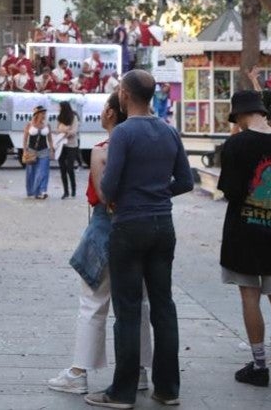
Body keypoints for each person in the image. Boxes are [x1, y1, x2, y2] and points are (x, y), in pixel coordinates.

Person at [88, 70, 193, 409]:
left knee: (129, 309)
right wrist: (160, 192)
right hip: (163, 224)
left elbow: (110, 185)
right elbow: (186, 181)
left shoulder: (122, 133)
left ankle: (122, 391)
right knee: (164, 306)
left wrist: (115, 196)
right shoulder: (168, 130)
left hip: (130, 224)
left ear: (125, 94)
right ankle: (167, 388)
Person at [49, 92, 154, 395]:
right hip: (143, 230)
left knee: (93, 302)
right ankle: (141, 369)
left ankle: (79, 371)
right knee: (138, 304)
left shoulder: (102, 150)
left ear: (110, 113)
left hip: (107, 230)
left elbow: (106, 197)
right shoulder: (145, 149)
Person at [218, 94, 271, 388]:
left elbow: (229, 191)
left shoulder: (236, 144)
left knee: (249, 295)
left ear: (241, 116)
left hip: (242, 233)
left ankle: (259, 365)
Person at [22, 106, 53, 200]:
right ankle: (31, 191)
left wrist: (52, 149)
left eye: (44, 113)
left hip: (44, 151)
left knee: (43, 171)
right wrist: (24, 150)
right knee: (31, 172)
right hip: (31, 151)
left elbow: (50, 139)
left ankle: (42, 191)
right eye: (42, 113)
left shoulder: (47, 125)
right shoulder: (29, 125)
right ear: (37, 114)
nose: (44, 115)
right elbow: (25, 138)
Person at [56, 100, 80, 199]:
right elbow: (57, 129)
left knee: (70, 168)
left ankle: (73, 189)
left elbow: (74, 131)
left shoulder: (73, 117)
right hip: (61, 145)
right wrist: (66, 129)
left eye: (60, 107)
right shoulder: (59, 118)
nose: (59, 109)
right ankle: (65, 191)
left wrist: (64, 130)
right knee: (62, 168)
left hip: (71, 145)